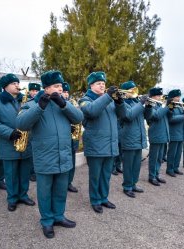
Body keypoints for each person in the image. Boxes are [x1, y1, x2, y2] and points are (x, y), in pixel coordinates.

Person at [17, 71, 84, 238]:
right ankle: (47, 221)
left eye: (61, 86)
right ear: (46, 88)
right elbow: (21, 123)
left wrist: (63, 104)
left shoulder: (64, 103)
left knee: (61, 190)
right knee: (45, 192)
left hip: (63, 156)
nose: (60, 89)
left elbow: (79, 117)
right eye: (56, 86)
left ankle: (59, 216)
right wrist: (40, 107)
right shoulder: (33, 104)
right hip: (44, 157)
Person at [0, 73, 35, 212]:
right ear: (5, 86)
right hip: (9, 144)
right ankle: (12, 198)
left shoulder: (25, 101)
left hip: (26, 143)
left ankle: (23, 195)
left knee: (24, 172)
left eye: (18, 83)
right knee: (11, 174)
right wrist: (9, 133)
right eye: (14, 83)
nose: (17, 85)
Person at [79, 71, 126, 214]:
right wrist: (107, 96)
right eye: (99, 83)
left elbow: (123, 115)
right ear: (91, 85)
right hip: (96, 145)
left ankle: (104, 198)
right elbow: (92, 111)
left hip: (110, 145)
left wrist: (119, 102)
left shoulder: (109, 100)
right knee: (95, 175)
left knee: (106, 175)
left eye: (103, 83)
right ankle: (95, 200)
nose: (102, 85)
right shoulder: (85, 99)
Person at [118, 81, 148, 198]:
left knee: (136, 165)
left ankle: (134, 184)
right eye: (131, 89)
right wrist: (141, 104)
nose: (134, 91)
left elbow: (148, 116)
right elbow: (129, 116)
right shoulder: (123, 103)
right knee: (128, 165)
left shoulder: (137, 103)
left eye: (134, 89)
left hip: (138, 138)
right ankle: (127, 186)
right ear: (126, 91)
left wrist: (148, 106)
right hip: (129, 138)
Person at [144, 87, 169, 186]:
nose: (160, 97)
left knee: (159, 158)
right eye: (158, 95)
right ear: (152, 96)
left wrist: (170, 108)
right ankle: (151, 176)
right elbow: (156, 116)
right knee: (154, 158)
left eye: (160, 95)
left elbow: (168, 117)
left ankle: (157, 174)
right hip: (155, 134)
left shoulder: (160, 105)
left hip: (163, 134)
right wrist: (167, 106)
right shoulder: (151, 105)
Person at [61, 82, 79, 193]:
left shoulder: (72, 103)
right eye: (64, 91)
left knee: (72, 161)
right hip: (64, 139)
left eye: (67, 92)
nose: (66, 94)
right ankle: (63, 183)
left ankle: (69, 182)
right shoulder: (58, 105)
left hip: (73, 138)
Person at [166, 89, 184, 177]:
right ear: (172, 97)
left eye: (179, 97)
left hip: (181, 133)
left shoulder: (180, 106)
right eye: (177, 97)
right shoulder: (170, 105)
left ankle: (176, 167)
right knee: (172, 152)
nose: (178, 98)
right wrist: (183, 116)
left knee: (178, 152)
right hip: (174, 133)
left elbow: (183, 117)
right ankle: (170, 169)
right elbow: (171, 119)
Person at [27, 83, 41, 182]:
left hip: (38, 131)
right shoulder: (27, 102)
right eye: (33, 91)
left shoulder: (40, 101)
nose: (35, 93)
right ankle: (32, 172)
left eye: (37, 91)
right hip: (29, 132)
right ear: (29, 91)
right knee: (31, 153)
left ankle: (37, 171)